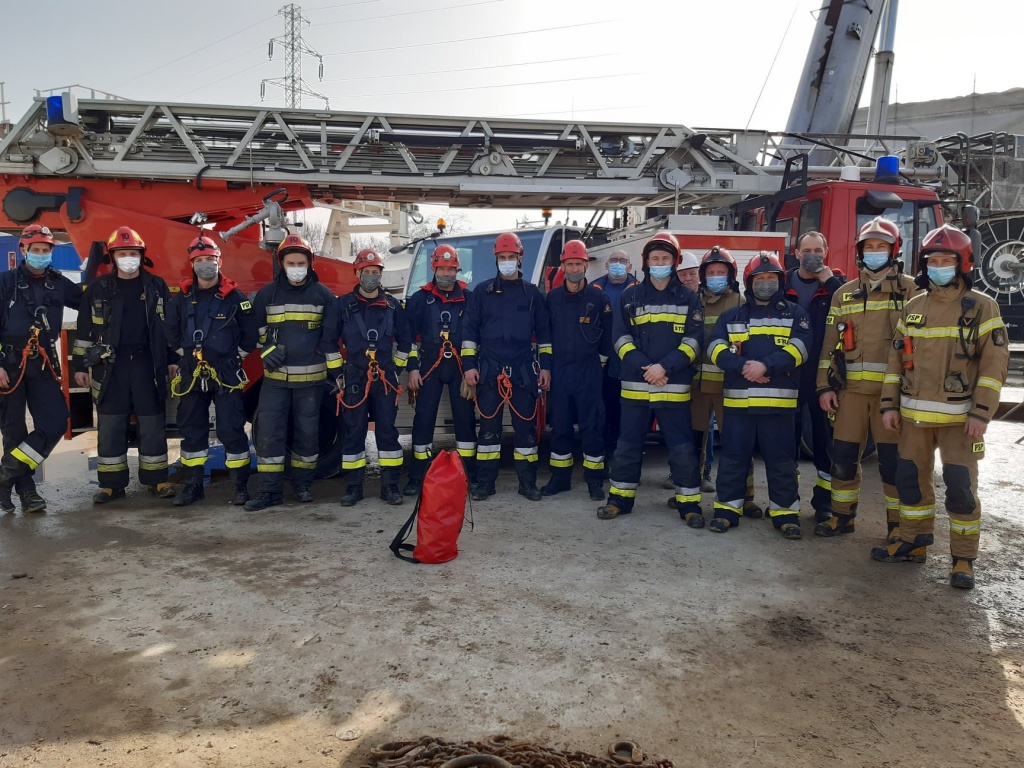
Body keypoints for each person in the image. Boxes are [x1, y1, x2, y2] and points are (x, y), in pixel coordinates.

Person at [872, 224, 1008, 590]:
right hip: (913, 419)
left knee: (960, 488)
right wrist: (889, 406)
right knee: (910, 483)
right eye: (933, 261)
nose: (939, 267)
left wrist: (981, 412)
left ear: (962, 264)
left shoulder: (982, 306)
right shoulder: (915, 306)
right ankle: (913, 542)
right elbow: (895, 361)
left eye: (947, 260)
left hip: (960, 421)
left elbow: (995, 365)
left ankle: (963, 559)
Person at [815, 218, 921, 538]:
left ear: (893, 250)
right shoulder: (844, 294)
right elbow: (829, 342)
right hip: (850, 395)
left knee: (892, 463)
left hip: (892, 398)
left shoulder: (912, 290)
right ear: (860, 251)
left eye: (881, 247)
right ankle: (842, 517)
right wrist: (823, 386)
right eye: (869, 247)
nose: (875, 252)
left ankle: (897, 526)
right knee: (844, 458)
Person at [597, 232, 703, 525]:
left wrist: (664, 367)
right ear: (646, 262)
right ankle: (619, 499)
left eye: (665, 259)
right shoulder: (630, 296)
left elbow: (694, 341)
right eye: (655, 259)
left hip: (673, 386)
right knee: (627, 444)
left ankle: (689, 504)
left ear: (674, 262)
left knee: (682, 446)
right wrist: (647, 368)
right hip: (636, 385)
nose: (660, 263)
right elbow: (619, 338)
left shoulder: (689, 298)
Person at [707, 252, 812, 539]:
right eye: (759, 278)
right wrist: (744, 367)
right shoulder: (732, 316)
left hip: (778, 407)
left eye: (771, 278)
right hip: (740, 405)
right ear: (748, 282)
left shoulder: (796, 314)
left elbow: (800, 349)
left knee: (782, 462)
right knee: (732, 459)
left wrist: (766, 365)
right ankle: (727, 510)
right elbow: (715, 348)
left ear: (779, 281)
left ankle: (786, 513)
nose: (765, 283)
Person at [73, 226, 176, 503]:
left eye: (132, 253)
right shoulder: (99, 288)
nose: (128, 257)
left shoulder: (156, 285)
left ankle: (157, 480)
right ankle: (111, 485)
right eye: (122, 253)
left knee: (152, 423)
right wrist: (80, 367)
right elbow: (84, 328)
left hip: (147, 363)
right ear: (112, 256)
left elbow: (169, 327)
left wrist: (173, 360)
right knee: (110, 425)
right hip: (110, 366)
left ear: (141, 255)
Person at [166, 236, 258, 507]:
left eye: (210, 259)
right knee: (192, 429)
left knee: (231, 428)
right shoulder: (181, 298)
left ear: (219, 262)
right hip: (192, 371)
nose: (205, 265)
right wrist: (188, 357)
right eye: (200, 260)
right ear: (191, 265)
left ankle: (240, 487)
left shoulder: (235, 298)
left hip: (226, 372)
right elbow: (170, 332)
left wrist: (234, 358)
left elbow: (249, 335)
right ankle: (194, 486)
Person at [246, 234, 335, 511]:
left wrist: (329, 367)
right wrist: (267, 349)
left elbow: (330, 335)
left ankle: (303, 485)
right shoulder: (266, 294)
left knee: (307, 435)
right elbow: (258, 332)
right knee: (269, 435)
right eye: (291, 262)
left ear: (309, 263)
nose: (296, 267)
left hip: (311, 382)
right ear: (281, 264)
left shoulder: (323, 295)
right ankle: (269, 491)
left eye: (301, 262)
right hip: (275, 381)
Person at [461, 232, 551, 501]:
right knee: (489, 431)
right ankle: (486, 484)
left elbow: (545, 335)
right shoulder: (482, 292)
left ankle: (528, 484)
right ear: (496, 260)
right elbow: (469, 330)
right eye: (503, 257)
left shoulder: (532, 294)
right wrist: (468, 366)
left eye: (512, 257)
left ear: (520, 258)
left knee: (526, 430)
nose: (507, 261)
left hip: (523, 370)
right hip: (489, 370)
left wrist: (545, 368)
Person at [0, 225, 82, 513]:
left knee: (57, 421)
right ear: (23, 250)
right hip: (9, 365)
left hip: (43, 363)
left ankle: (6, 473)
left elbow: (89, 300)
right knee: (14, 430)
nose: (41, 254)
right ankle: (28, 493)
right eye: (35, 250)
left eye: (46, 250)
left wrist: (102, 270)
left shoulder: (58, 284)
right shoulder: (5, 282)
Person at [680, 246, 762, 516]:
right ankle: (687, 494)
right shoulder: (693, 301)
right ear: (704, 276)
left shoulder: (741, 304)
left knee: (737, 443)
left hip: (731, 387)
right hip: (697, 387)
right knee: (693, 443)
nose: (716, 277)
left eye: (721, 272)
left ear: (731, 275)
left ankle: (745, 496)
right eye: (711, 272)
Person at [326, 249, 411, 507]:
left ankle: (390, 486)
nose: (372, 277)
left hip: (384, 379)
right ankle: (353, 487)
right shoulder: (342, 306)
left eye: (376, 272)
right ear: (357, 273)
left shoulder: (394, 307)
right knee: (354, 432)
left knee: (388, 432)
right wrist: (338, 374)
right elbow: (329, 342)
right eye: (367, 272)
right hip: (354, 377)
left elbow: (406, 342)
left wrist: (395, 368)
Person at [541, 240, 612, 501]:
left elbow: (608, 336)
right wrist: (547, 367)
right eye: (569, 264)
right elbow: (546, 336)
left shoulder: (598, 297)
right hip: (560, 371)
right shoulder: (553, 299)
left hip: (589, 371)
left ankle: (594, 480)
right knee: (560, 427)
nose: (574, 268)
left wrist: (599, 365)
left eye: (578, 263)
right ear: (563, 266)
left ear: (585, 265)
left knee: (592, 426)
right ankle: (560, 479)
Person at [403, 244, 476, 496]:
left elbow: (475, 336)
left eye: (451, 269)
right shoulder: (419, 299)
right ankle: (417, 477)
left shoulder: (470, 297)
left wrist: (470, 369)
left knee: (465, 423)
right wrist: (412, 369)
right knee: (423, 421)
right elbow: (408, 339)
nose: (446, 273)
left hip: (459, 369)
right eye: (442, 268)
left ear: (457, 269)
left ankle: (468, 476)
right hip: (428, 368)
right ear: (434, 268)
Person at [786, 231, 844, 522]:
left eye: (817, 249)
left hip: (822, 377)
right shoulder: (782, 283)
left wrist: (829, 281)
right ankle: (788, 501)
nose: (812, 255)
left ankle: (824, 503)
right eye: (806, 249)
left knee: (825, 443)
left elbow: (850, 313)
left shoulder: (838, 286)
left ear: (826, 251)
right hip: (788, 374)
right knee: (787, 440)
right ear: (796, 253)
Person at [592, 249, 637, 470]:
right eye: (614, 260)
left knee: (627, 414)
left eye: (623, 260)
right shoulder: (595, 288)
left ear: (630, 266)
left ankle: (624, 460)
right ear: (607, 265)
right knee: (604, 410)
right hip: (603, 361)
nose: (618, 264)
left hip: (630, 361)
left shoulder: (640, 289)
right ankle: (606, 456)